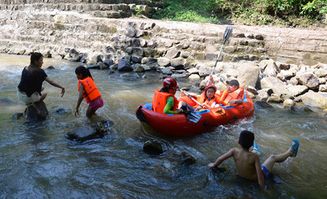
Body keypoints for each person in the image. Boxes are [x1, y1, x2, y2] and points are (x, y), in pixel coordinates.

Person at [208, 130, 300, 189]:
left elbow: (220, 159)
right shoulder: (254, 157)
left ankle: (253, 149)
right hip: (255, 179)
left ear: (238, 142)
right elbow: (260, 175)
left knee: (254, 154)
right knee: (272, 157)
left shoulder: (234, 151)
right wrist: (262, 187)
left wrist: (214, 165)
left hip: (241, 176)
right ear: (250, 144)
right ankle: (291, 152)